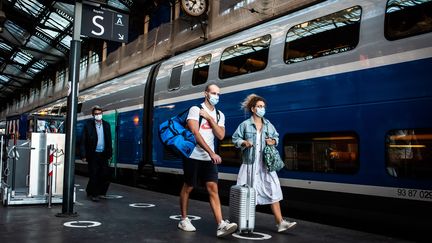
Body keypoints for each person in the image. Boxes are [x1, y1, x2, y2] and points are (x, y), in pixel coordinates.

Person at [178, 84, 238, 237]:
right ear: (205, 93)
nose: (216, 96)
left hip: (207, 158)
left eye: (218, 94)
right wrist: (211, 152)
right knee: (189, 187)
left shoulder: (219, 115)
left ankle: (220, 224)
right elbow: (194, 134)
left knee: (213, 188)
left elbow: (220, 135)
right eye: (213, 93)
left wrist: (210, 119)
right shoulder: (195, 110)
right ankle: (184, 219)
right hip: (192, 155)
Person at [232, 94, 297, 232]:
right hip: (250, 164)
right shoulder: (245, 125)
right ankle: (242, 222)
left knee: (273, 190)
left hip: (266, 164)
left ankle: (280, 222)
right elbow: (235, 139)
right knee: (246, 194)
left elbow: (276, 138)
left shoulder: (268, 124)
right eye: (259, 106)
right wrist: (243, 142)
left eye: (263, 107)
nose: (262, 109)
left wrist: (272, 141)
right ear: (253, 109)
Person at [80, 106, 113, 202]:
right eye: (96, 114)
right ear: (93, 115)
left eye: (100, 113)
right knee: (94, 174)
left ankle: (95, 191)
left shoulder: (106, 125)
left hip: (103, 153)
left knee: (105, 174)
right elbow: (83, 141)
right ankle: (95, 194)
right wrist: (83, 155)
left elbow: (108, 140)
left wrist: (110, 153)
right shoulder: (88, 125)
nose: (98, 115)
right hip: (93, 153)